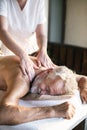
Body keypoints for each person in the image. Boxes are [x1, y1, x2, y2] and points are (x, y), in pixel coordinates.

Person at [0, 55, 76, 125]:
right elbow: (2, 115)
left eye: (48, 93)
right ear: (48, 71)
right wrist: (53, 111)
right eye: (47, 89)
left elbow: (81, 77)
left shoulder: (44, 65)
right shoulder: (22, 81)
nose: (42, 93)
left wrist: (84, 87)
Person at [0, 0, 54, 81]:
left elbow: (41, 34)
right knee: (19, 79)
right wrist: (22, 55)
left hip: (32, 54)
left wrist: (43, 50)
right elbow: (2, 31)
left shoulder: (38, 1)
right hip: (8, 54)